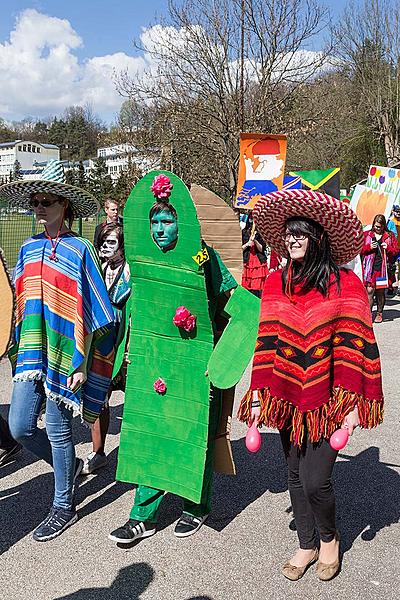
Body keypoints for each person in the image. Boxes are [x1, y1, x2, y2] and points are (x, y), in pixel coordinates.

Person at [238, 189, 383, 581]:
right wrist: (256, 396)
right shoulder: (274, 283)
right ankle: (306, 544)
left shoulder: (346, 284)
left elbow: (359, 346)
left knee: (317, 480)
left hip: (330, 401)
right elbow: (266, 343)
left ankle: (329, 538)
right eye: (288, 232)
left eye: (301, 232)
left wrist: (353, 406)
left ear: (318, 237)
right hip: (285, 395)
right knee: (293, 474)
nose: (292, 238)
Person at [109, 172, 238, 544]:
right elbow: (128, 306)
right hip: (154, 364)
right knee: (152, 434)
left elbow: (237, 304)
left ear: (180, 221)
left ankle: (195, 507)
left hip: (195, 364)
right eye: (155, 222)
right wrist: (118, 359)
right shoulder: (142, 260)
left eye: (168, 221)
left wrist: (225, 357)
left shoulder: (203, 256)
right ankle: (141, 516)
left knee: (192, 435)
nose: (161, 229)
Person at [0, 160, 115, 541]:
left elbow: (99, 310)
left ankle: (63, 504)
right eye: (35, 201)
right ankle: (68, 466)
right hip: (32, 354)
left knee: (56, 427)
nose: (40, 207)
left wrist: (82, 362)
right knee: (18, 427)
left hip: (68, 357)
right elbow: (18, 303)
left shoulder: (80, 249)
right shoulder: (28, 249)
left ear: (64, 205)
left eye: (47, 200)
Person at [81, 223, 131, 475]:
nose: (105, 247)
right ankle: (98, 451)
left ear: (122, 246)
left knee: (134, 398)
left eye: (111, 242)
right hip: (102, 342)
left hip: (125, 342)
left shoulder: (131, 271)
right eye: (102, 241)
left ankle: (135, 452)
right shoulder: (99, 268)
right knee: (100, 397)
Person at [361, 214, 398, 322]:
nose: (377, 228)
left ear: (383, 226)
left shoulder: (389, 236)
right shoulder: (367, 235)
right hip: (370, 269)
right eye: (376, 226)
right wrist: (368, 247)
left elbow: (395, 252)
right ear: (373, 224)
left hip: (382, 269)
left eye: (380, 227)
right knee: (369, 291)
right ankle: (367, 315)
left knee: (380, 292)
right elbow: (359, 250)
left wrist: (389, 248)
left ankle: (379, 313)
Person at [241, 212, 268, 298]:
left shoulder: (261, 233)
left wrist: (255, 241)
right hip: (247, 261)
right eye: (251, 219)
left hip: (258, 262)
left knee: (258, 287)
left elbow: (262, 249)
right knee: (246, 286)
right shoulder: (243, 232)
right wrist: (247, 244)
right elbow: (239, 249)